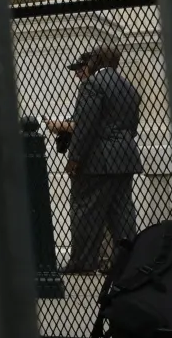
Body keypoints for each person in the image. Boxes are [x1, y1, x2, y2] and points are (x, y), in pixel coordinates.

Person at [49, 46, 140, 272]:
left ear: (93, 63)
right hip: (125, 156)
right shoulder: (129, 89)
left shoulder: (92, 85)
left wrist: (75, 158)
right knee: (122, 211)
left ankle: (83, 262)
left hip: (98, 160)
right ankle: (127, 261)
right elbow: (132, 126)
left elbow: (86, 127)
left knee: (85, 209)